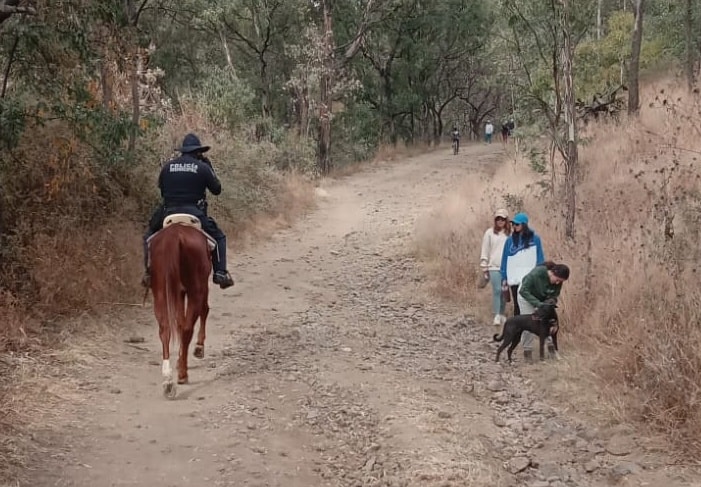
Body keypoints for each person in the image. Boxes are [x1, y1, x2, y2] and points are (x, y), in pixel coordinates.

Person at [142, 133, 235, 290]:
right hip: (194, 212)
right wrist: (209, 168)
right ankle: (220, 273)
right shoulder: (203, 167)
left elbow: (162, 191)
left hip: (168, 211)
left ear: (182, 151)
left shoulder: (167, 167)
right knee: (219, 238)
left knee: (148, 236)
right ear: (198, 152)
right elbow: (217, 189)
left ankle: (149, 273)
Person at [518, 261, 570, 361]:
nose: (558, 283)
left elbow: (554, 295)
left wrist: (549, 303)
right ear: (552, 273)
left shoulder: (558, 282)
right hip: (526, 295)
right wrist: (538, 305)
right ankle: (527, 351)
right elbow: (523, 290)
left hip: (542, 298)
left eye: (561, 281)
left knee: (548, 322)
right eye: (557, 280)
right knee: (529, 322)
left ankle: (552, 350)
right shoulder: (537, 273)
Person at [500, 212, 544, 316]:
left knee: (530, 302)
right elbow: (505, 259)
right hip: (514, 277)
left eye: (517, 224)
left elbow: (539, 256)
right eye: (513, 224)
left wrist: (540, 273)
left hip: (530, 277)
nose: (514, 226)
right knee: (517, 304)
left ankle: (531, 327)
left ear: (524, 225)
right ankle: (517, 328)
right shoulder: (509, 241)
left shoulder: (535, 239)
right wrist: (504, 277)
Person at [480, 209, 511, 326]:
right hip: (493, 266)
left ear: (506, 220)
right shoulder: (489, 233)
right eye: (498, 219)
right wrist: (484, 266)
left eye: (502, 219)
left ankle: (502, 313)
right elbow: (485, 249)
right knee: (497, 289)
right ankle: (496, 314)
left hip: (507, 267)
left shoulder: (510, 234)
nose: (500, 221)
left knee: (504, 291)